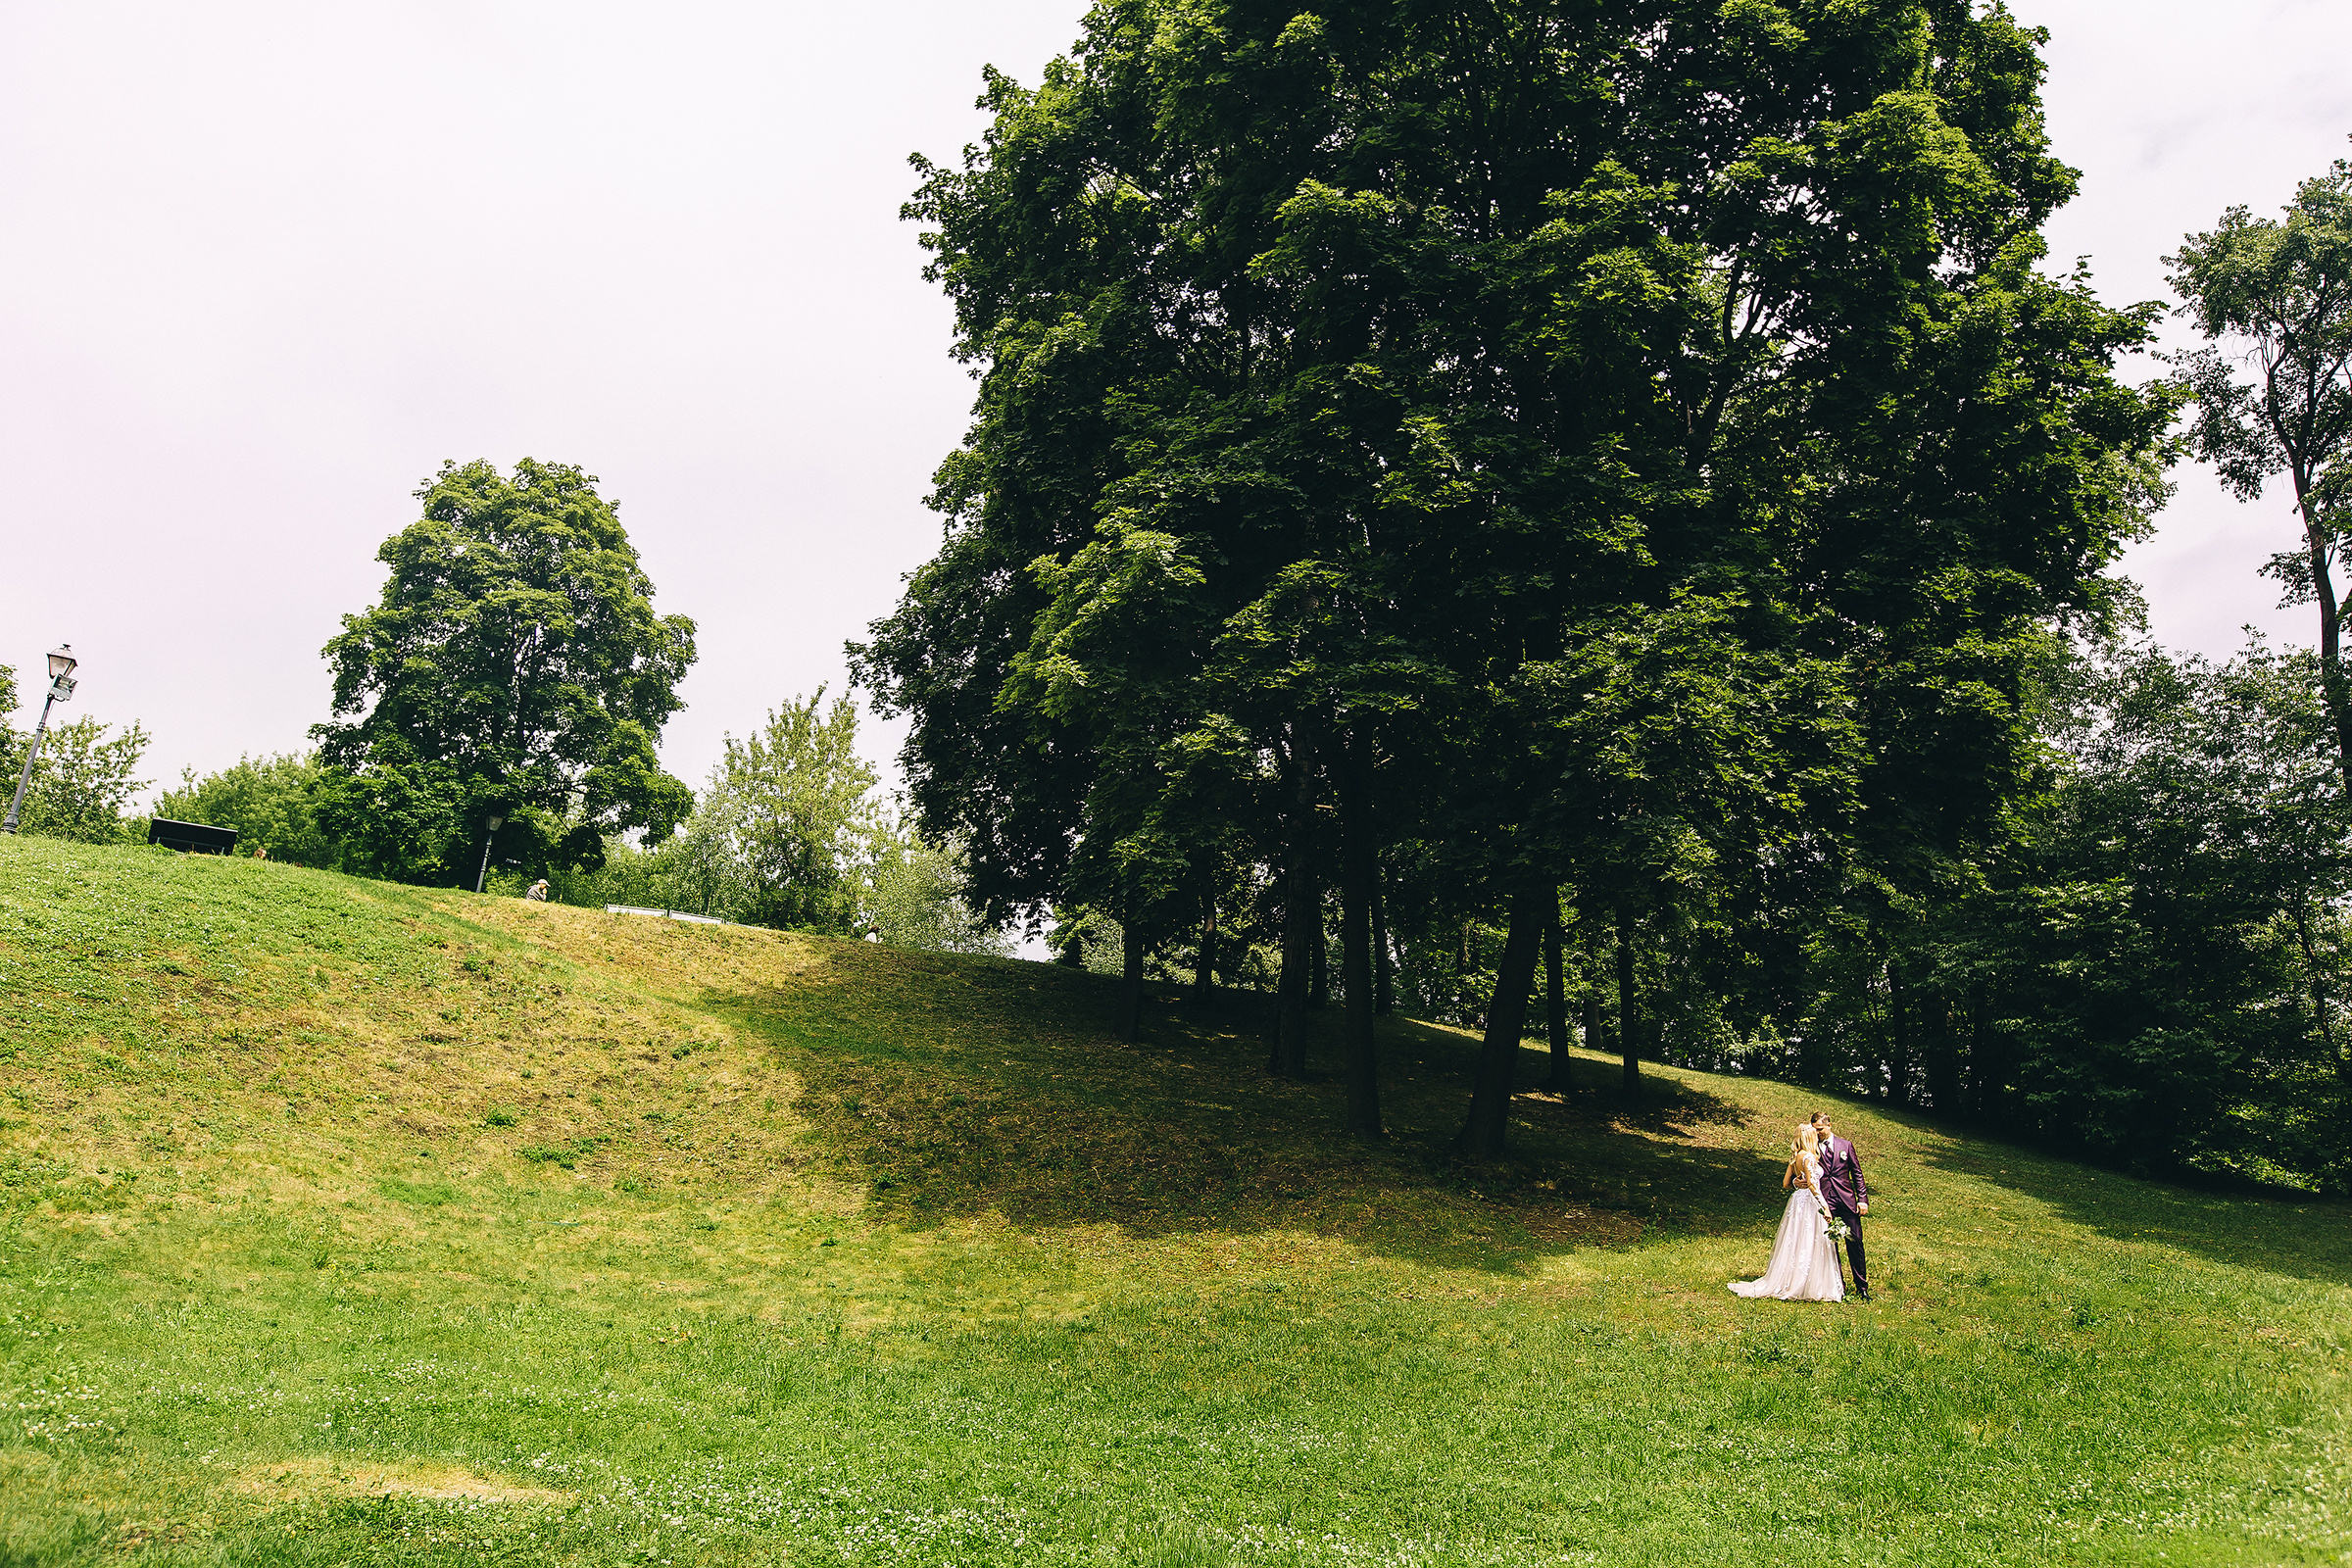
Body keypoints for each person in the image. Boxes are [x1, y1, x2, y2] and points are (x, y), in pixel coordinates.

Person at [1728, 1124, 1844, 1302]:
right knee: (1808, 1239)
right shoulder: (1809, 1158)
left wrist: (1798, 1184)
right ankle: (1805, 1284)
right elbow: (1814, 1185)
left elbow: (1785, 1183)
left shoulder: (1796, 1157)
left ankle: (1792, 1279)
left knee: (1796, 1239)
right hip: (1810, 1202)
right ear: (1810, 1138)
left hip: (1798, 1201)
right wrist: (1825, 1207)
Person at [1810, 1111, 1871, 1299]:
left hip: (1847, 1200)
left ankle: (1862, 1288)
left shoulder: (1846, 1145)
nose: (1817, 1133)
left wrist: (1862, 1199)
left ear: (1829, 1126)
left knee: (1855, 1242)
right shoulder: (1811, 1147)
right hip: (1826, 1201)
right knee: (1830, 1244)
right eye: (1814, 1130)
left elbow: (1857, 1173)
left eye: (1819, 1129)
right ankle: (1838, 1286)